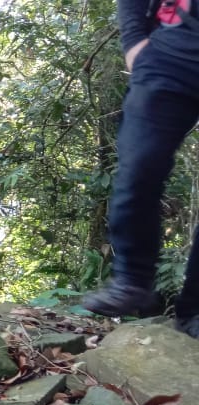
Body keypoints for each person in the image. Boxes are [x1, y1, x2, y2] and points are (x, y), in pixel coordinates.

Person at [82, 0, 199, 339]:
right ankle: (132, 280)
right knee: (139, 163)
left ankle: (193, 310)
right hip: (170, 53)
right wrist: (134, 43)